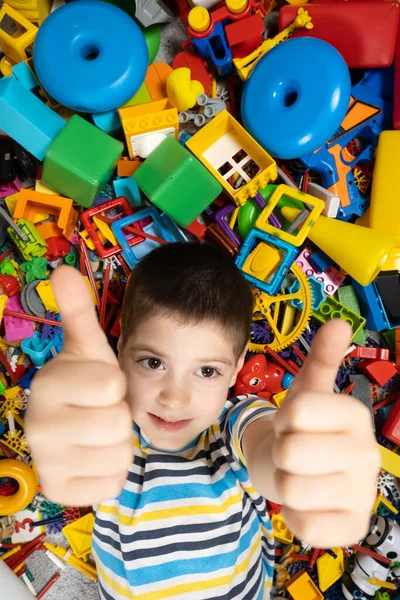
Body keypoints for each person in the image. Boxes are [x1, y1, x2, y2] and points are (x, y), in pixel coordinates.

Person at [25, 242, 381, 600]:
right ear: (121, 348)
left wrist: (302, 459)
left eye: (207, 370)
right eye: (153, 363)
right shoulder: (109, 428)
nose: (174, 398)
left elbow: (267, 450)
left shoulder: (231, 425)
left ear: (237, 368)